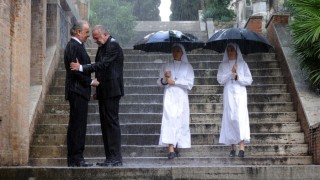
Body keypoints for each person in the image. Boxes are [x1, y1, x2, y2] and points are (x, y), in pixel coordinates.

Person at [70, 25, 124, 166]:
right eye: (93, 38)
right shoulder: (103, 46)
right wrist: (98, 92)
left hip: (112, 91)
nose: (95, 41)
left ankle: (116, 158)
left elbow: (103, 65)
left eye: (96, 37)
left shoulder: (113, 45)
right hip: (105, 91)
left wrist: (81, 67)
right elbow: (102, 72)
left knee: (111, 124)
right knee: (105, 125)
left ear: (105, 34)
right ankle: (110, 158)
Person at [64, 20, 99, 167]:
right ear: (78, 32)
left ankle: (75, 158)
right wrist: (91, 82)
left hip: (79, 91)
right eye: (86, 33)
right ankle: (76, 158)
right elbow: (75, 70)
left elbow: (81, 68)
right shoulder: (73, 46)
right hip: (77, 91)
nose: (87, 36)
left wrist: (86, 68)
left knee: (77, 125)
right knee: (77, 126)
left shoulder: (77, 46)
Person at [157, 43, 195, 160]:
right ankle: (171, 148)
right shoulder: (166, 65)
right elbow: (160, 82)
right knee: (170, 119)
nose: (176, 53)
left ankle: (178, 144)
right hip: (170, 96)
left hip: (182, 96)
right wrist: (165, 78)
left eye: (178, 51)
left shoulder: (187, 67)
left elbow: (190, 84)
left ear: (182, 53)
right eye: (174, 50)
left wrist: (175, 82)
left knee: (181, 120)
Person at [217, 43, 253, 158]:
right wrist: (230, 73)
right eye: (228, 50)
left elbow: (249, 80)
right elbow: (220, 80)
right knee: (230, 118)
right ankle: (232, 147)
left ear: (237, 51)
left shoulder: (243, 64)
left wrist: (238, 77)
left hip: (240, 94)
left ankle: (241, 147)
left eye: (232, 50)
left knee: (240, 118)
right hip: (228, 94)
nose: (230, 52)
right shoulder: (223, 65)